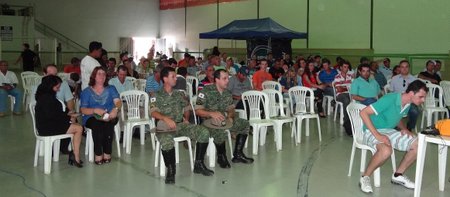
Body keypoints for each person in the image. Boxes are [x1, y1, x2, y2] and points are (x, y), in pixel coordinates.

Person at [358, 80, 427, 193]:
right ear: (411, 94)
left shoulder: (408, 103)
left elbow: (398, 118)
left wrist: (404, 129)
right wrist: (378, 135)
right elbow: (363, 113)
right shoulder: (390, 99)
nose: (423, 100)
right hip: (372, 130)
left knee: (419, 143)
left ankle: (398, 175)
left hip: (389, 130)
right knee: (386, 151)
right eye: (421, 97)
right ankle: (365, 177)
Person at [150, 67, 213, 184]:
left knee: (204, 132)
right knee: (167, 141)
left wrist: (186, 118)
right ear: (165, 79)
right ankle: (171, 170)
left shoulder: (179, 94)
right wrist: (165, 118)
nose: (176, 79)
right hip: (164, 127)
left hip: (180, 125)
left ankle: (199, 163)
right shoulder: (156, 95)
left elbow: (187, 107)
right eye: (173, 77)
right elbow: (153, 112)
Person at [195, 69, 254, 169]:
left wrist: (230, 117)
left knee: (244, 123)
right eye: (224, 78)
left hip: (224, 120)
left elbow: (231, 109)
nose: (227, 81)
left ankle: (238, 154)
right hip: (208, 122)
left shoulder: (227, 93)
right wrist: (211, 113)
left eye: (228, 78)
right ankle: (221, 156)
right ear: (217, 80)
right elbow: (198, 111)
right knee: (220, 131)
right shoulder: (205, 91)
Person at [35, 75, 83, 168]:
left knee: (75, 124)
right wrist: (69, 117)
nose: (58, 90)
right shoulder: (47, 99)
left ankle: (73, 154)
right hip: (49, 127)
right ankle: (75, 156)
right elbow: (53, 115)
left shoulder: (43, 96)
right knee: (78, 128)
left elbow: (54, 114)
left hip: (46, 125)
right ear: (50, 86)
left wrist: (68, 115)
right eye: (57, 87)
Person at [80, 67, 121, 165]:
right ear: (94, 76)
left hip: (109, 115)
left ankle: (107, 152)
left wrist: (115, 109)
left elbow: (118, 102)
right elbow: (83, 110)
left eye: (104, 74)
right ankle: (98, 153)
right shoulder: (86, 92)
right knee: (97, 124)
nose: (102, 76)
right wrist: (95, 110)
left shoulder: (111, 88)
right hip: (92, 116)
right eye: (99, 73)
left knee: (108, 123)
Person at [390, 60, 419, 131]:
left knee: (415, 111)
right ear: (399, 68)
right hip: (397, 101)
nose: (404, 69)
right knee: (390, 110)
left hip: (410, 102)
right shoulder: (394, 78)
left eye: (406, 67)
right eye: (402, 67)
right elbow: (391, 92)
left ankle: (409, 127)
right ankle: (394, 126)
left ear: (409, 68)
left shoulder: (414, 79)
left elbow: (416, 94)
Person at [333, 60, 353, 136]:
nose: (346, 69)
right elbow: (339, 89)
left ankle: (355, 120)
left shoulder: (350, 77)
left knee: (355, 99)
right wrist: (347, 88)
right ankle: (347, 121)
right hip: (340, 95)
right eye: (345, 67)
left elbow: (352, 88)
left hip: (349, 94)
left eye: (347, 67)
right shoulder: (337, 77)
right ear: (341, 68)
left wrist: (344, 87)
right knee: (346, 100)